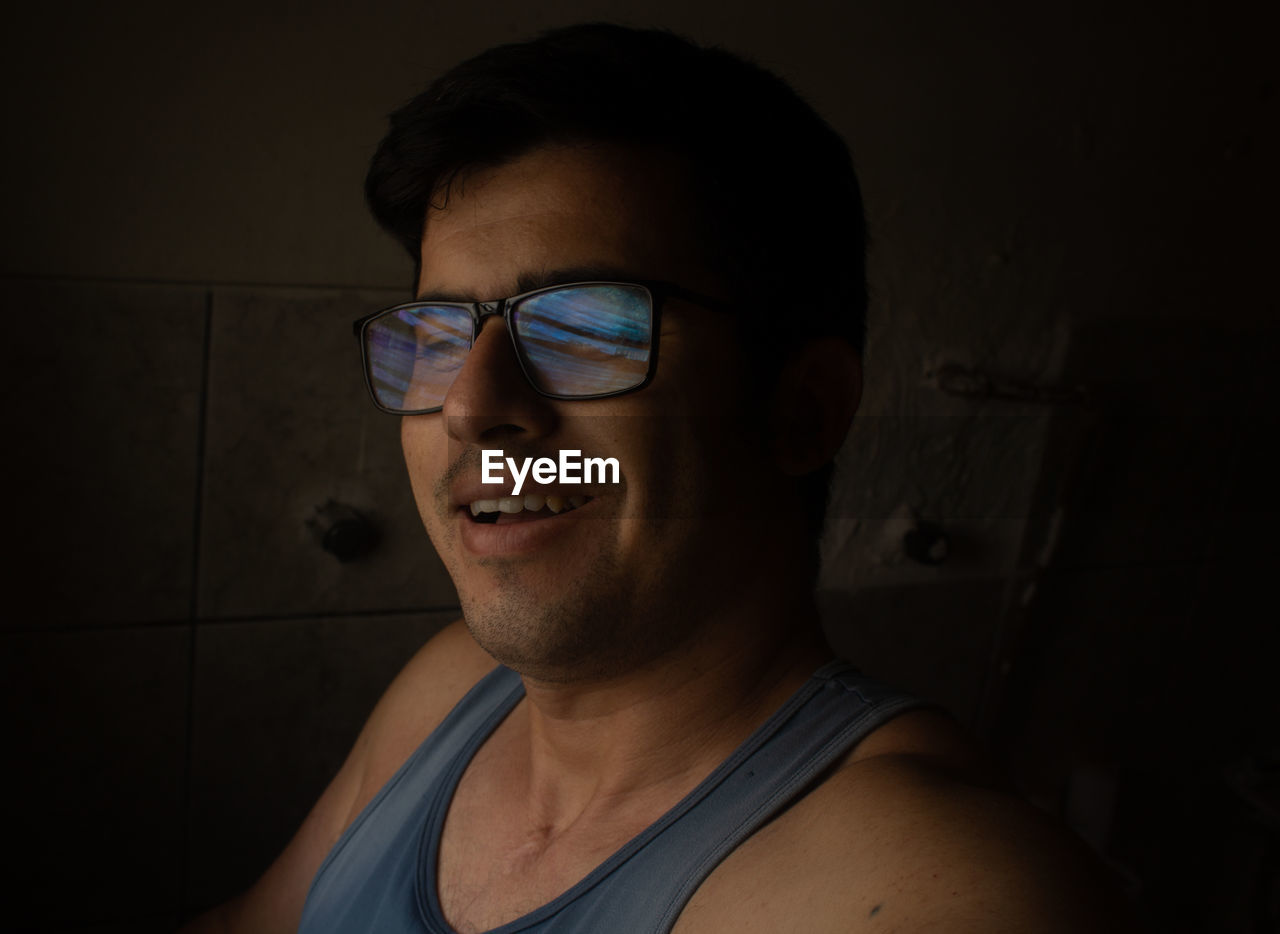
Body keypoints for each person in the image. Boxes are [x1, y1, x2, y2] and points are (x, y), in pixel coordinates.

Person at [184, 23, 1133, 933]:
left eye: (583, 328)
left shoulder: (940, 887)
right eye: (437, 337)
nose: (470, 408)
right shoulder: (453, 690)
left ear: (802, 409)